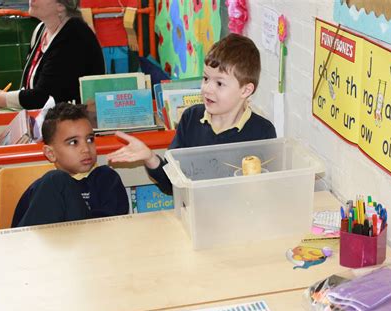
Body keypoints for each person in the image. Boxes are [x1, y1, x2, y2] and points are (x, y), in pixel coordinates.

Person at [107, 33, 276, 195]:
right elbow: (172, 185)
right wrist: (150, 157)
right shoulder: (191, 119)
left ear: (245, 90)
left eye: (219, 83)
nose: (207, 88)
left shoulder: (262, 132)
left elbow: (267, 192)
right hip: (194, 217)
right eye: (205, 78)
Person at [0, 0, 105, 115]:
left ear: (61, 5)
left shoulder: (74, 36)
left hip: (72, 124)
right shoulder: (41, 29)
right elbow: (30, 88)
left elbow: (41, 98)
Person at [12, 102, 128, 227]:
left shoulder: (107, 179)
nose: (86, 149)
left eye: (90, 139)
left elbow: (113, 230)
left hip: (94, 242)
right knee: (56, 179)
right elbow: (19, 236)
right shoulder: (42, 188)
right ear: (50, 154)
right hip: (49, 245)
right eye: (73, 142)